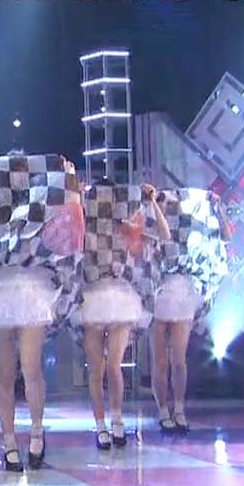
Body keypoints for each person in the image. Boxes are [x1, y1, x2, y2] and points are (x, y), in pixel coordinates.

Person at [0, 154, 84, 472]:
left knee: (32, 368)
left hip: (32, 288)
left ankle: (36, 433)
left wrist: (68, 178)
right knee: (6, 372)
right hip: (0, 288)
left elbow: (70, 225)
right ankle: (9, 442)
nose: (17, 177)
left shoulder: (42, 202)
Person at [78, 178, 170, 450]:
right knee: (97, 368)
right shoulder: (85, 223)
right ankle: (101, 426)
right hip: (92, 296)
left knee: (113, 366)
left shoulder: (128, 224)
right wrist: (76, 197)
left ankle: (117, 420)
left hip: (119, 297)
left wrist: (151, 201)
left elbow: (164, 235)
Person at [150, 190, 233, 434]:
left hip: (183, 292)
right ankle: (162, 410)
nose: (170, 207)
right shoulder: (152, 225)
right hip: (157, 292)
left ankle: (179, 409)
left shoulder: (192, 229)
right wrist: (153, 203)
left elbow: (226, 237)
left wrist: (218, 209)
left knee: (179, 359)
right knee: (160, 360)